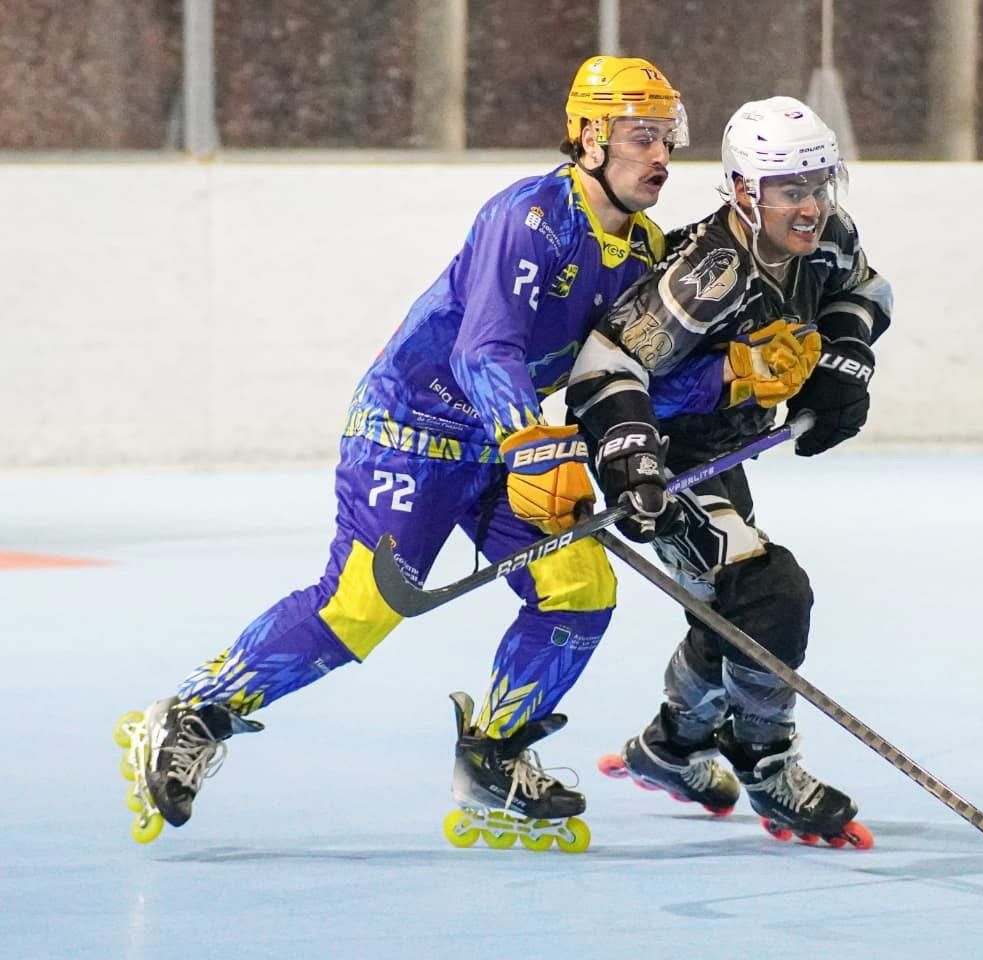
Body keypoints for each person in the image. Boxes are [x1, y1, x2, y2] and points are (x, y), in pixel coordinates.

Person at [114, 56, 688, 850]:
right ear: (590, 138)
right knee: (361, 606)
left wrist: (742, 383)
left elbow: (626, 370)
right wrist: (531, 442)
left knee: (579, 586)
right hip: (410, 429)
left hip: (500, 448)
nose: (661, 155)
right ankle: (196, 712)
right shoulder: (530, 216)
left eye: (667, 136)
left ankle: (493, 755)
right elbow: (484, 349)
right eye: (641, 136)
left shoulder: (646, 248)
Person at [568, 96, 892, 847]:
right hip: (662, 458)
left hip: (720, 449)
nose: (810, 206)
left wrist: (844, 357)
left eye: (820, 183)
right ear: (745, 190)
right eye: (790, 189)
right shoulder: (709, 273)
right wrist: (630, 457)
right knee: (771, 594)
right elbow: (603, 366)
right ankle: (765, 761)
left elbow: (864, 291)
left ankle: (672, 747)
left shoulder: (830, 235)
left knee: (732, 608)